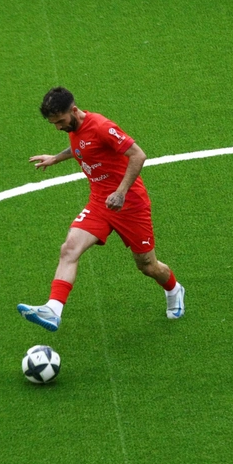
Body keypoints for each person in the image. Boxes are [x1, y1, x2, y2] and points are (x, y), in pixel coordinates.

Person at [18, 87, 183, 331]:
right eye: (54, 123)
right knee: (69, 248)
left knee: (147, 266)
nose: (58, 127)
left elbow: (138, 155)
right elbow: (81, 147)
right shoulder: (74, 127)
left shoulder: (102, 126)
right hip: (99, 203)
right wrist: (55, 158)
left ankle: (174, 290)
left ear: (74, 110)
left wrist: (121, 192)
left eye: (60, 121)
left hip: (130, 205)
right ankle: (53, 309)